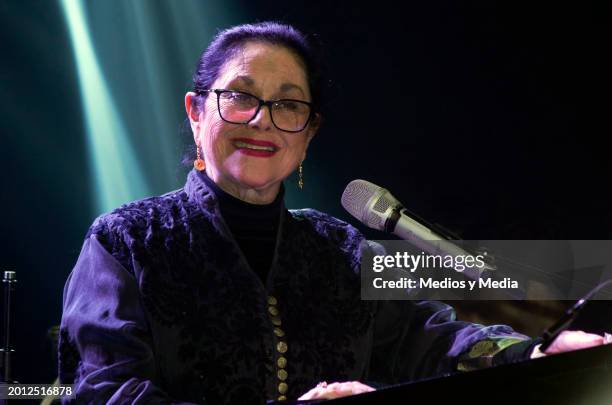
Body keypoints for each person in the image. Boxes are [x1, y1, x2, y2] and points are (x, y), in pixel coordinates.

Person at [58, 22, 607, 404]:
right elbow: (109, 392)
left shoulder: (339, 247)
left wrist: (537, 352)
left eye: (289, 105)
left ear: (309, 134)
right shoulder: (125, 241)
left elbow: (432, 337)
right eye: (240, 97)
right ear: (197, 111)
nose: (263, 121)